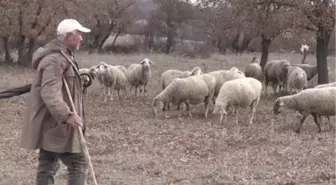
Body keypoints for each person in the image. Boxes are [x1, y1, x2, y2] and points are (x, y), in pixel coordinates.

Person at [20, 18, 91, 185]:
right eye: (79, 34)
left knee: (47, 164)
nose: (82, 38)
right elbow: (50, 93)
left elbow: (61, 84)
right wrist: (67, 115)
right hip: (57, 124)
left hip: (51, 123)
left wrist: (80, 81)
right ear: (69, 36)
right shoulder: (54, 60)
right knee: (78, 164)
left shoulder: (63, 56)